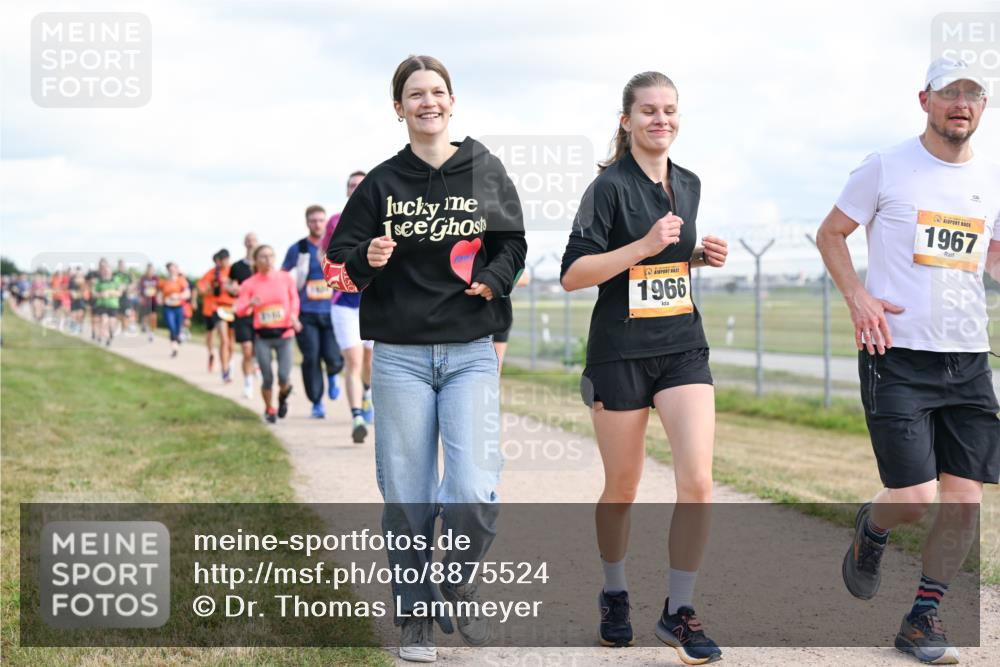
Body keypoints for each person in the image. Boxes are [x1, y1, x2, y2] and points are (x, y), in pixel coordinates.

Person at [325, 54, 526, 663]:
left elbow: (511, 242)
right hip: (401, 358)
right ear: (398, 108)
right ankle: (414, 616)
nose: (428, 102)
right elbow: (336, 267)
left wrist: (493, 278)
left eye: (437, 92)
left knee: (474, 487)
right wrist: (368, 260)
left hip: (469, 350)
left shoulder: (483, 169)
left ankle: (457, 581)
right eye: (415, 94)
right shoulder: (383, 183)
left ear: (452, 101)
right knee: (408, 494)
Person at [817, 56, 999, 665]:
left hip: (969, 357)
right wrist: (858, 297)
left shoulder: (992, 176)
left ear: (983, 106)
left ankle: (923, 616)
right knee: (916, 496)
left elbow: (991, 257)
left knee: (965, 498)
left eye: (974, 94)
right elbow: (831, 234)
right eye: (951, 92)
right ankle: (874, 523)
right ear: (925, 99)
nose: (962, 103)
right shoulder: (885, 166)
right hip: (896, 353)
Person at [560, 71, 729, 663]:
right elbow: (573, 275)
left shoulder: (689, 182)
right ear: (626, 120)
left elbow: (667, 267)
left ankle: (678, 610)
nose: (662, 120)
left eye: (670, 110)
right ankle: (614, 592)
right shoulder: (607, 188)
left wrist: (698, 259)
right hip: (620, 353)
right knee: (624, 487)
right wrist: (645, 246)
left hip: (683, 345)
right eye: (649, 111)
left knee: (698, 482)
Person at [322, 170, 374, 441]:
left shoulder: (380, 218)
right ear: (346, 190)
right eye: (352, 185)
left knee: (369, 361)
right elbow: (325, 257)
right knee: (353, 361)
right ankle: (356, 417)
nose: (356, 189)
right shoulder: (334, 222)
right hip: (344, 303)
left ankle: (367, 394)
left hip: (374, 302)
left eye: (361, 185)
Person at [283, 205, 345, 419]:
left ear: (326, 222)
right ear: (307, 223)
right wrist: (290, 311)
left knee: (334, 357)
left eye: (320, 220)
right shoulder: (298, 249)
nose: (317, 224)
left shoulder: (336, 245)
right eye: (313, 220)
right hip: (306, 313)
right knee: (311, 358)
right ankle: (317, 401)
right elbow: (283, 278)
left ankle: (334, 374)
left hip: (332, 311)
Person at [235, 245, 301, 424]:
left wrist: (294, 316)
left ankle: (282, 398)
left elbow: (294, 299)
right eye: (263, 257)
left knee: (283, 376)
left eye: (271, 256)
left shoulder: (285, 278)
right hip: (262, 336)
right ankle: (269, 409)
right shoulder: (249, 284)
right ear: (256, 261)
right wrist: (250, 303)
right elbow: (239, 310)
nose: (268, 260)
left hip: (285, 334)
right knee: (267, 377)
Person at [197, 249, 237, 382]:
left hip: (232, 308)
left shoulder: (234, 271)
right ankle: (224, 370)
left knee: (231, 343)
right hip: (217, 309)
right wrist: (205, 289)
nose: (223, 262)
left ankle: (228, 362)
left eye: (225, 259)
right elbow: (201, 287)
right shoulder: (212, 273)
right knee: (223, 340)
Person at [230, 233, 259, 399]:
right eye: (248, 240)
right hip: (243, 312)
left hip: (260, 314)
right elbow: (230, 283)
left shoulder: (263, 267)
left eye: (253, 240)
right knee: (247, 350)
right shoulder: (237, 267)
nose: (250, 243)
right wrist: (233, 288)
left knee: (257, 350)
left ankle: (256, 366)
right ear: (244, 243)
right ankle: (248, 383)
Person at [493, 270, 530, 370]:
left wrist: (494, 280)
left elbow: (524, 278)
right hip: (468, 316)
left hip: (498, 314)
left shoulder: (502, 255)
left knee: (495, 368)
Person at [158, 262, 191, 358]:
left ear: (176, 270)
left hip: (178, 307)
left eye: (173, 269)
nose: (172, 271)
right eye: (170, 269)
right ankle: (174, 348)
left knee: (177, 328)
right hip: (168, 307)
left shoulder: (181, 281)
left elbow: (187, 293)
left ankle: (177, 341)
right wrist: (160, 300)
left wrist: (178, 296)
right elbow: (159, 294)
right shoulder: (164, 282)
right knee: (171, 327)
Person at [137, 263, 160, 342]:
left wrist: (159, 296)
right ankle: (144, 325)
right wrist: (140, 297)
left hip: (153, 300)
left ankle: (151, 333)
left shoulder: (156, 278)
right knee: (146, 317)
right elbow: (139, 288)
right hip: (145, 301)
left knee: (153, 317)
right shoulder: (143, 278)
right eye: (149, 270)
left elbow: (159, 289)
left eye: (152, 270)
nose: (150, 271)